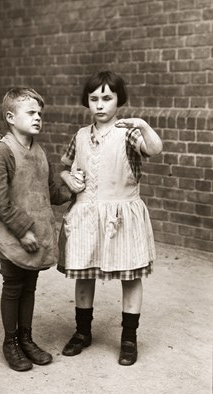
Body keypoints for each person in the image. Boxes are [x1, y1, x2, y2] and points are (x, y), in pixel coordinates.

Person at [58, 71, 163, 366]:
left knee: (130, 276)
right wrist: (69, 178)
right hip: (86, 215)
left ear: (119, 100)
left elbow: (154, 149)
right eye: (94, 99)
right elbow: (66, 167)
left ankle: (129, 339)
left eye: (107, 98)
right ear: (87, 102)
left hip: (121, 215)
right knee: (83, 273)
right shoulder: (80, 135)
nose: (100, 105)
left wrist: (142, 124)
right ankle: (82, 333)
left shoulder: (128, 132)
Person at [0, 87, 70, 372]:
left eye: (40, 114)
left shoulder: (40, 152)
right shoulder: (1, 153)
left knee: (29, 285)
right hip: (10, 234)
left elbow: (52, 194)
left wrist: (73, 186)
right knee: (13, 285)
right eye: (31, 113)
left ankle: (26, 339)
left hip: (36, 234)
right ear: (11, 116)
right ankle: (10, 343)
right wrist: (22, 231)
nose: (38, 118)